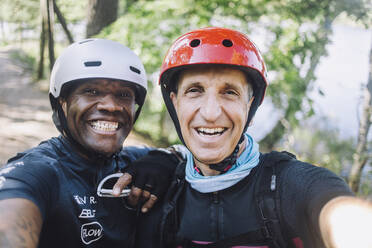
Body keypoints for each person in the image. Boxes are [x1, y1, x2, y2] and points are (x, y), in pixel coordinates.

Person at [134, 27, 372, 247]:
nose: (210, 113)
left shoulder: (288, 185)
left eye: (229, 92)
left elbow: (337, 211)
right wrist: (162, 156)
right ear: (175, 103)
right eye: (195, 90)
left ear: (250, 106)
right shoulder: (162, 191)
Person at [0, 38, 178, 248]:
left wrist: (167, 158)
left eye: (123, 95)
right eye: (91, 91)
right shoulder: (38, 171)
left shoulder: (137, 161)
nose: (111, 106)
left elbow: (191, 156)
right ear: (61, 103)